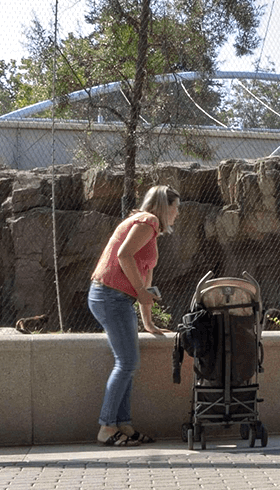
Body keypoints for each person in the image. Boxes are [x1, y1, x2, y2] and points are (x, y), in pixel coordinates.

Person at [88, 184, 180, 446]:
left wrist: (148, 321)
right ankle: (107, 428)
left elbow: (146, 280)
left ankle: (123, 425)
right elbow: (123, 255)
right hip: (110, 296)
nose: (177, 213)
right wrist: (140, 291)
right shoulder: (147, 221)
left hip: (117, 299)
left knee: (128, 363)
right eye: (175, 207)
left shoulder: (150, 230)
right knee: (126, 363)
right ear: (165, 206)